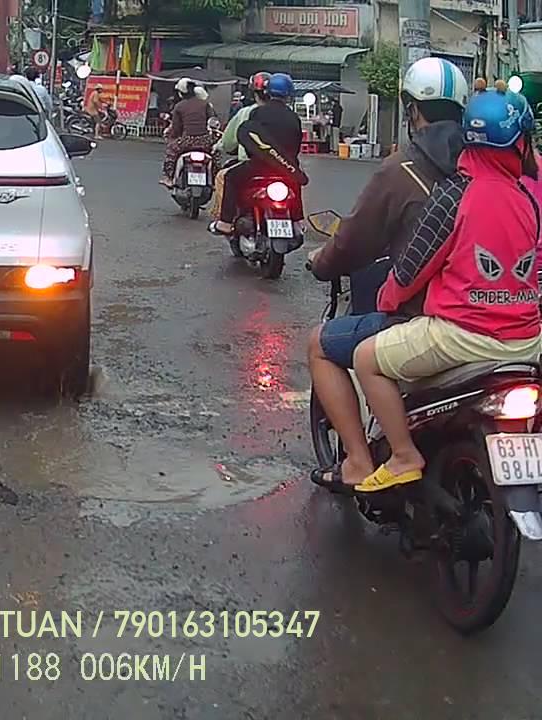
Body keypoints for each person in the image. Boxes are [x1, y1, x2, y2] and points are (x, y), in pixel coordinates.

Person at [325, 89, 542, 492]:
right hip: (526, 342)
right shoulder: (527, 196)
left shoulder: (456, 193)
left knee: (365, 358)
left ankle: (403, 456)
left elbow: (411, 269)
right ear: (519, 143)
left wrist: (387, 303)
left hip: (462, 337)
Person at [304, 59, 470, 489]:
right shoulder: (493, 172)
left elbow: (353, 241)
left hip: (432, 320)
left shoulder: (402, 170)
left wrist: (322, 262)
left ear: (412, 110)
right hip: (503, 320)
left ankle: (359, 461)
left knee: (322, 344)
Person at [207, 72, 304, 235]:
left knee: (230, 178)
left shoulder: (257, 113)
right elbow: (296, 145)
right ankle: (297, 220)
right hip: (286, 167)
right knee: (296, 180)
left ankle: (225, 223)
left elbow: (250, 141)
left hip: (259, 166)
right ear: (289, 94)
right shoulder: (294, 117)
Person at [160, 78, 217, 187]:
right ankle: (215, 178)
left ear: (181, 92)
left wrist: (172, 139)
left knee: (171, 152)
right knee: (216, 153)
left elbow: (176, 129)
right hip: (205, 141)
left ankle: (168, 177)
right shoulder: (205, 104)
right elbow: (213, 121)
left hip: (187, 142)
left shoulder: (179, 106)